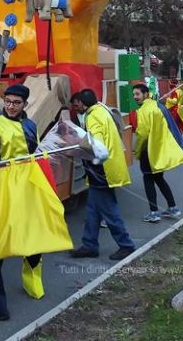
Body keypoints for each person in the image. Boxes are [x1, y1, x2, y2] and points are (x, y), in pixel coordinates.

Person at [0, 84, 43, 321]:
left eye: (16, 103)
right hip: (1, 193)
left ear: (25, 104)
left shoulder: (30, 125)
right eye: (8, 102)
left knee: (34, 238)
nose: (11, 106)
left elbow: (35, 155)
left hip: (26, 190)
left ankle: (33, 282)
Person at [69, 89, 136, 261]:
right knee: (93, 210)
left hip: (101, 171)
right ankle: (89, 245)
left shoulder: (93, 117)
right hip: (107, 167)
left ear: (84, 103)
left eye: (77, 105)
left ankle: (126, 245)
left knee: (109, 210)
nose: (76, 108)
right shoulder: (101, 109)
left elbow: (97, 145)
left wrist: (77, 147)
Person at [132, 83, 183, 223]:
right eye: (134, 94)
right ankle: (173, 207)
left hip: (148, 151)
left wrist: (137, 151)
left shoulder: (144, 110)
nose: (135, 97)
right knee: (159, 179)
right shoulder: (158, 106)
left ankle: (154, 213)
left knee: (148, 180)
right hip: (159, 151)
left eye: (138, 94)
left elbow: (142, 134)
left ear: (146, 94)